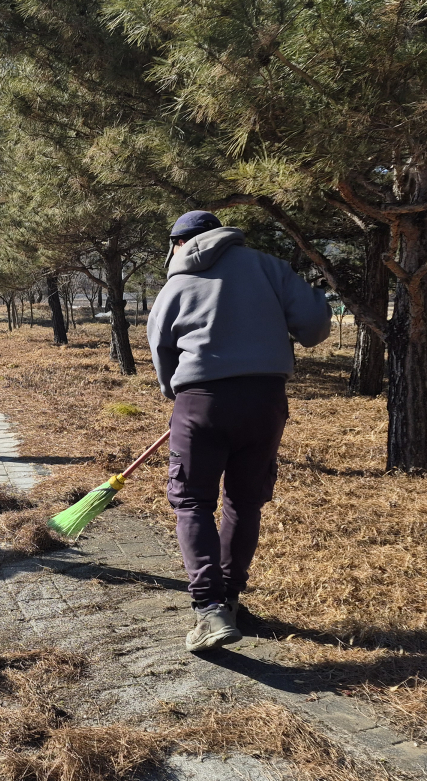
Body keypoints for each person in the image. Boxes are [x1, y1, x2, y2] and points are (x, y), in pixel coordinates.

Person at [146, 211, 331, 652]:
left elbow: (160, 348)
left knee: (192, 502)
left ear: (178, 243)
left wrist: (178, 391)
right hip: (266, 400)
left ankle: (209, 610)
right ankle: (229, 600)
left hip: (200, 403)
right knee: (244, 502)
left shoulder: (176, 282)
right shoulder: (269, 267)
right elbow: (314, 327)